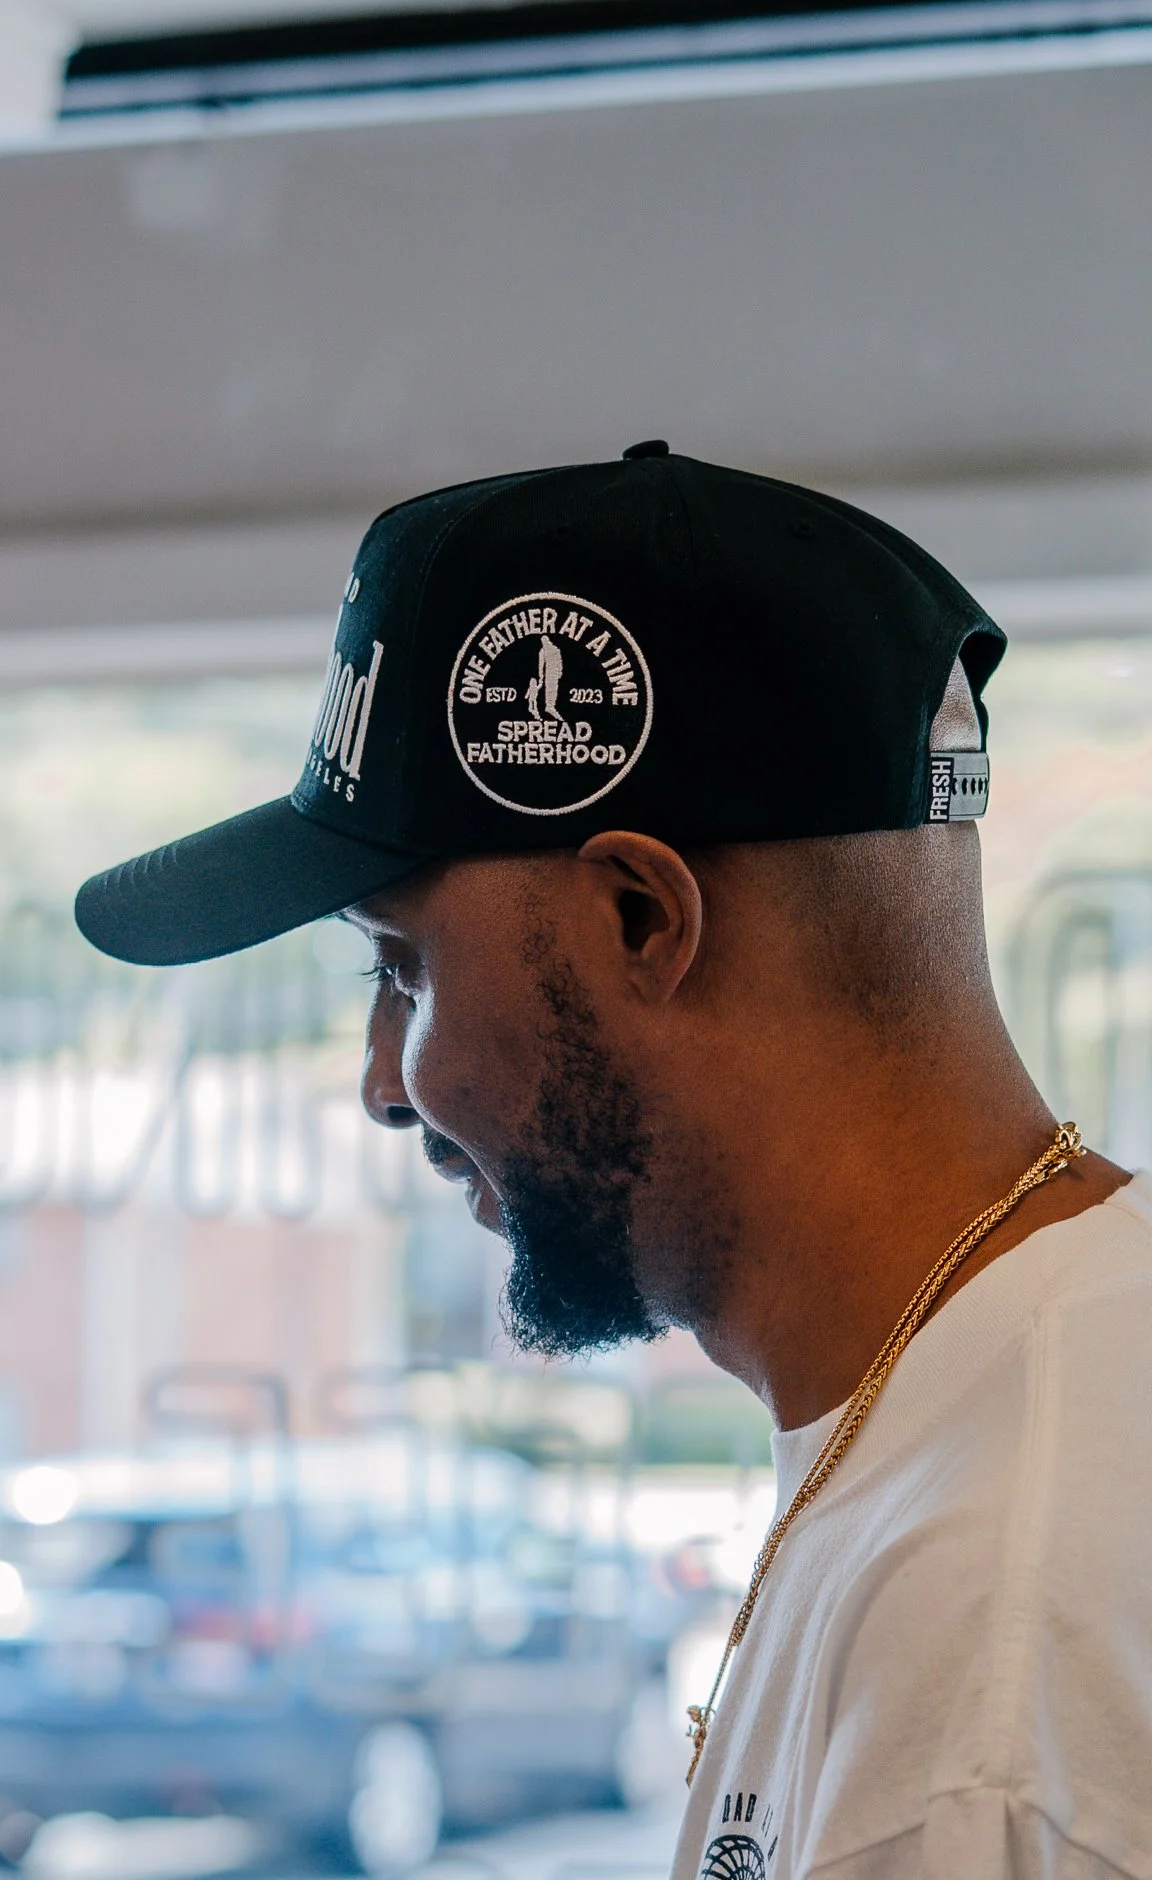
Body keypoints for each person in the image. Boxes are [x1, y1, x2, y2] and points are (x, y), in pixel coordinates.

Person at [76, 443, 1147, 1880]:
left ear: (642, 915)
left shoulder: (985, 1662)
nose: (384, 1085)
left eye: (404, 966)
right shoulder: (1003, 1395)